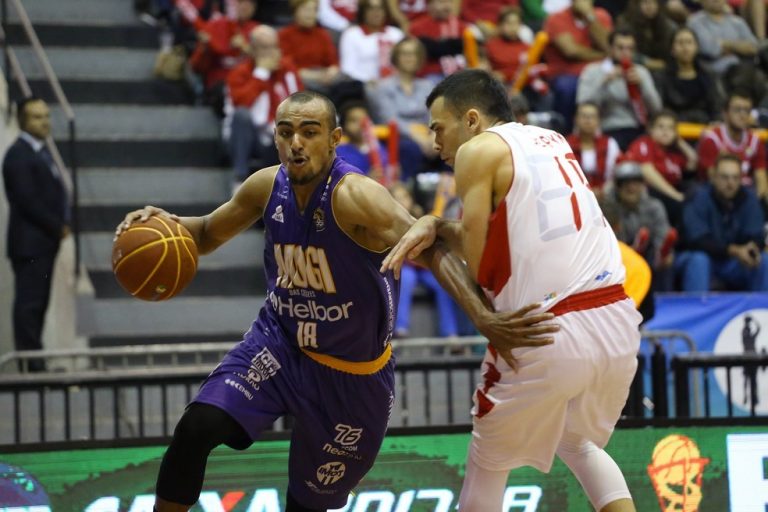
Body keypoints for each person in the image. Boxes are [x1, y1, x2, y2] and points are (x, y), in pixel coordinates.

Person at [115, 91, 557, 511]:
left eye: (309, 131)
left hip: (353, 375)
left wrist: (484, 317)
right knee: (197, 427)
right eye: (286, 132)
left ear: (334, 139)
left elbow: (433, 248)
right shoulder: (266, 186)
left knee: (304, 504)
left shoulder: (357, 197)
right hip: (280, 346)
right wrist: (162, 223)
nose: (295, 143)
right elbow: (208, 232)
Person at [381, 69, 641, 512]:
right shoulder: (552, 139)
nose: (435, 144)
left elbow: (483, 269)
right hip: (617, 319)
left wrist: (439, 228)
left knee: (487, 462)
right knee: (576, 444)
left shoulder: (477, 152)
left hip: (547, 327)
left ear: (472, 120)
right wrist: (442, 226)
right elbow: (516, 238)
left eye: (438, 128)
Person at [2, 97, 70, 373]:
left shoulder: (41, 152)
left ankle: (35, 362)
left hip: (42, 243)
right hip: (30, 244)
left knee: (37, 304)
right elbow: (26, 200)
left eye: (46, 116)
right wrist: (58, 226)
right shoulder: (18, 155)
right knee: (29, 305)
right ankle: (31, 367)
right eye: (37, 117)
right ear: (22, 121)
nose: (45, 122)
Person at [676, 153, 768, 292]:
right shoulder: (698, 196)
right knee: (699, 260)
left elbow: (756, 236)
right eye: (725, 177)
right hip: (702, 259)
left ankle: (761, 310)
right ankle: (698, 311)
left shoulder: (749, 199)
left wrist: (751, 249)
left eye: (735, 178)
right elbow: (697, 240)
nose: (730, 183)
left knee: (764, 260)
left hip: (734, 263)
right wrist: (735, 250)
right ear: (713, 176)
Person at [225, 24, 303, 188]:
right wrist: (261, 73)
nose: (271, 53)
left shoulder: (287, 70)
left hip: (277, 136)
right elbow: (241, 105)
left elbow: (300, 102)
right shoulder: (240, 72)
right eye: (264, 48)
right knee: (241, 116)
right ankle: (240, 179)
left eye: (274, 47)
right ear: (252, 50)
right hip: (246, 137)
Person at [576, 28, 663, 150]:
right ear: (610, 48)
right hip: (605, 130)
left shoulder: (641, 72)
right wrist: (605, 82)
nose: (625, 52)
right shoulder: (593, 71)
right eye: (620, 48)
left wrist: (642, 85)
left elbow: (656, 108)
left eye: (630, 48)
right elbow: (583, 103)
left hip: (638, 129)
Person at [696, 91, 767, 204]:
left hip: (747, 196)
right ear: (725, 113)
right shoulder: (712, 140)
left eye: (746, 110)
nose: (742, 115)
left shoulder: (755, 141)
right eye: (737, 109)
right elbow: (714, 180)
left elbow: (761, 178)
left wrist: (757, 203)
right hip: (716, 197)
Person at [566, 102, 622, 198]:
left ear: (599, 120)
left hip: (605, 195)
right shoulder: (565, 144)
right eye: (584, 116)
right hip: (574, 194)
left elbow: (616, 172)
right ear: (575, 119)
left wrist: (603, 191)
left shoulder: (610, 143)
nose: (588, 121)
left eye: (592, 117)